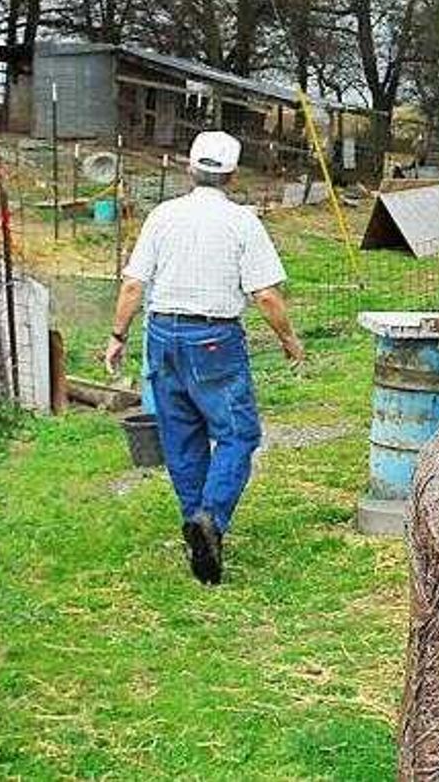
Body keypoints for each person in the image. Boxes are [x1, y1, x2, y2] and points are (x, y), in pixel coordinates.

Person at [106, 129, 307, 584]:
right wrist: (290, 341)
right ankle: (211, 520)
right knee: (238, 435)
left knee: (181, 436)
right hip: (213, 338)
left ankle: (195, 525)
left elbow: (134, 284)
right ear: (232, 176)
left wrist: (118, 335)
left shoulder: (162, 216)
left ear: (189, 168)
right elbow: (266, 296)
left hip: (162, 335)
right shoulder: (242, 222)